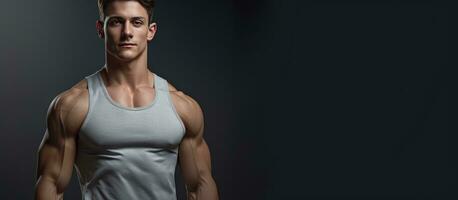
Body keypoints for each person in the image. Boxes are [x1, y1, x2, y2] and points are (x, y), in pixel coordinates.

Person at [34, 0, 219, 199]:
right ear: (101, 29)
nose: (127, 32)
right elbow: (51, 184)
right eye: (116, 22)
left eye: (137, 22)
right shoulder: (72, 106)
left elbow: (200, 184)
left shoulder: (182, 107)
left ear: (151, 31)